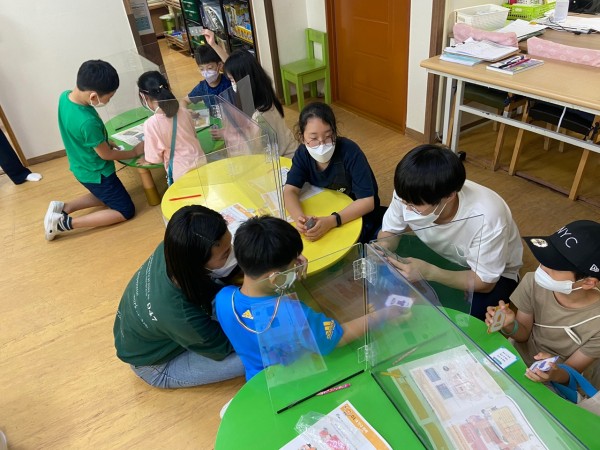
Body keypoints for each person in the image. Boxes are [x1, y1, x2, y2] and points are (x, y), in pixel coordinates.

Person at [215, 215, 394, 381]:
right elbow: (337, 338)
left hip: (257, 379)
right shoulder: (292, 312)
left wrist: (288, 263)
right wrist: (381, 315)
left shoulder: (223, 298)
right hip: (295, 381)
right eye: (292, 266)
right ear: (275, 278)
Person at [378, 144, 522, 320]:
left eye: (415, 205)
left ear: (449, 196)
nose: (407, 208)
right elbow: (389, 232)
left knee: (465, 319)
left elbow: (485, 282)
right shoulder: (409, 192)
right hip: (440, 254)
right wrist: (383, 248)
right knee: (391, 290)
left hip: (492, 272)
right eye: (404, 202)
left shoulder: (488, 217)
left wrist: (429, 272)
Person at [113, 205, 245, 388]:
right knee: (264, 354)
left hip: (155, 330)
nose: (231, 252)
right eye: (225, 254)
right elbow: (222, 347)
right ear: (197, 263)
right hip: (157, 365)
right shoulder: (180, 313)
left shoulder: (176, 247)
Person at [485, 220, 600, 390]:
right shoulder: (533, 282)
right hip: (515, 359)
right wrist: (509, 325)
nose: (542, 269)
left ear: (588, 282)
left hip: (552, 382)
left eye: (554, 267)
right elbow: (523, 334)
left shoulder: (596, 322)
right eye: (544, 259)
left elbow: (571, 374)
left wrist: (553, 372)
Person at [45, 60, 143, 241]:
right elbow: (106, 154)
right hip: (97, 173)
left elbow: (81, 137)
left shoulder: (65, 97)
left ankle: (64, 208)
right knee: (125, 210)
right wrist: (134, 152)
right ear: (93, 96)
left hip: (82, 166)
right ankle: (64, 223)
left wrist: (103, 141)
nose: (109, 101)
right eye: (109, 97)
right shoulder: (87, 122)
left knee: (105, 195)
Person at [283, 102, 381, 243]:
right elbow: (290, 190)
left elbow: (367, 201)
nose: (322, 144)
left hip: (355, 216)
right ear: (302, 137)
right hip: (326, 209)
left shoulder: (350, 152)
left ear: (334, 132)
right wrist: (300, 219)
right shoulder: (303, 154)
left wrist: (332, 221)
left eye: (328, 136)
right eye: (314, 138)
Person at [223, 49, 297, 158]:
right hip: (286, 149)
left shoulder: (259, 116)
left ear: (243, 80)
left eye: (233, 80)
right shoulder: (263, 96)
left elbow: (254, 151)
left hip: (284, 158)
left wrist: (229, 135)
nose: (232, 84)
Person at [136, 71, 206, 184]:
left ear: (143, 96)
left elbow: (155, 158)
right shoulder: (184, 112)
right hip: (201, 162)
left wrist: (147, 160)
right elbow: (193, 136)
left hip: (181, 172)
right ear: (167, 88)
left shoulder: (151, 124)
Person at [183, 30, 231, 105]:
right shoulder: (202, 88)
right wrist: (183, 108)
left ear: (219, 65)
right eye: (201, 69)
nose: (206, 72)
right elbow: (184, 100)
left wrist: (213, 44)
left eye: (210, 68)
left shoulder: (228, 81)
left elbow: (231, 65)